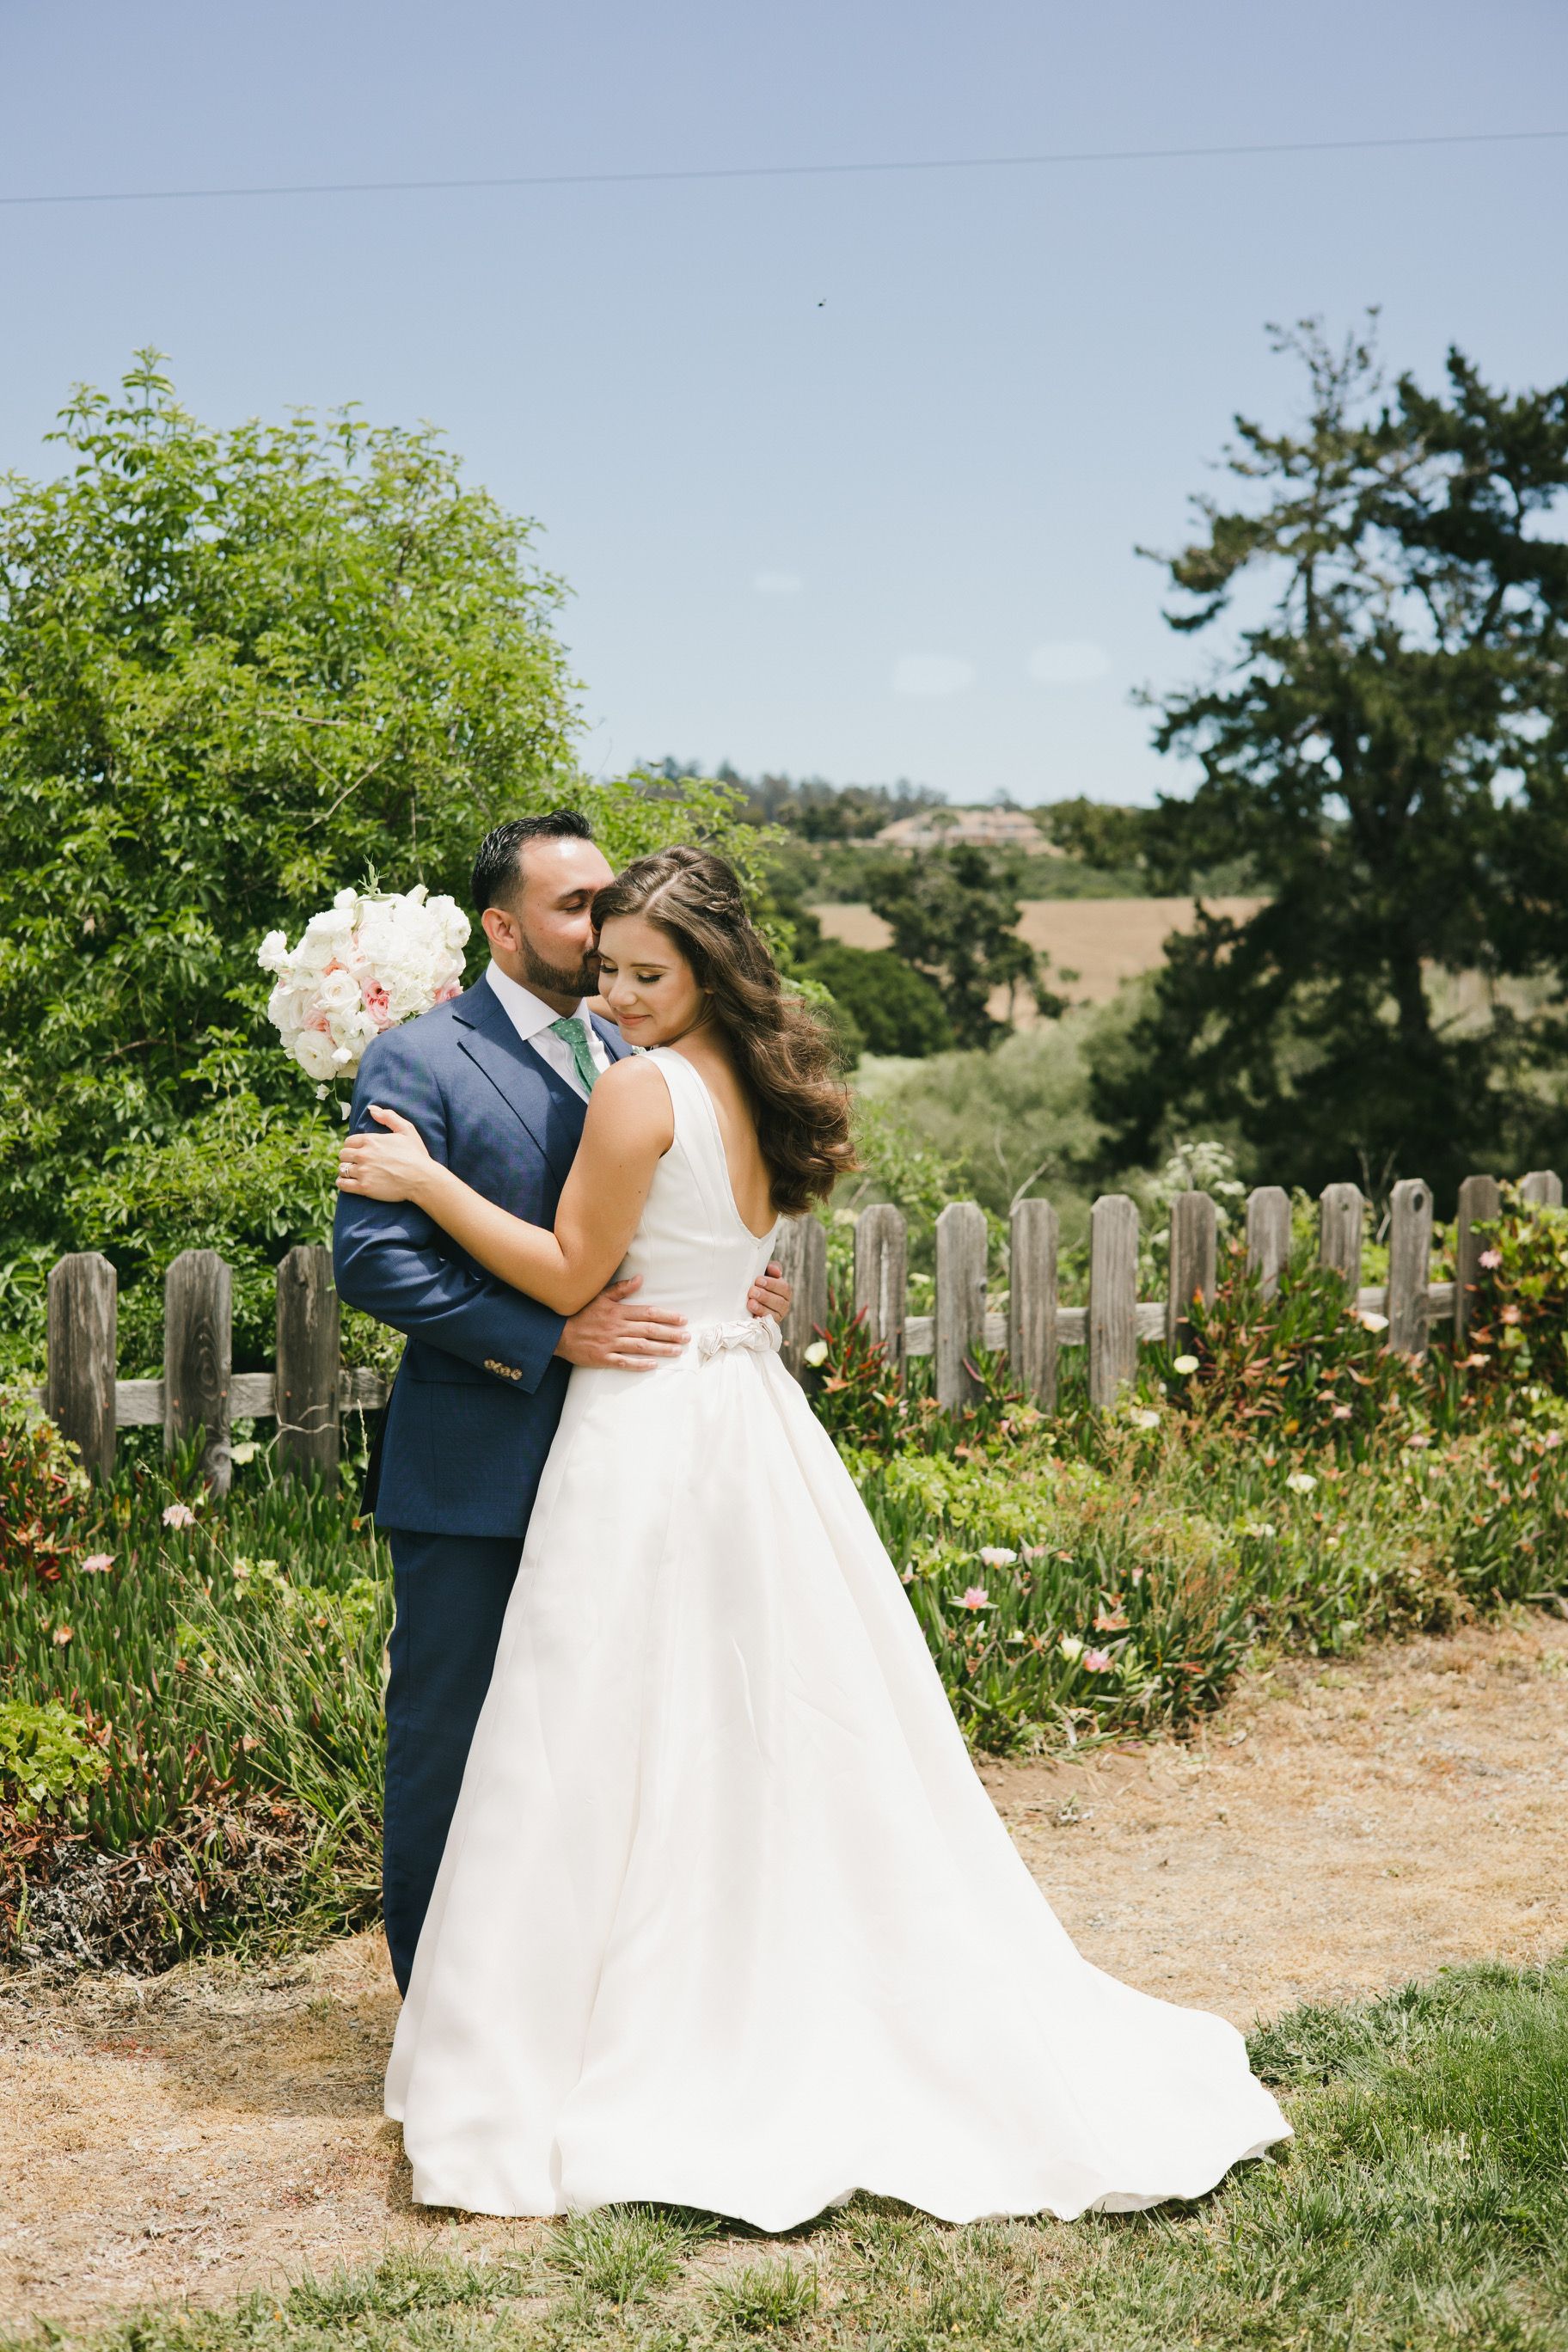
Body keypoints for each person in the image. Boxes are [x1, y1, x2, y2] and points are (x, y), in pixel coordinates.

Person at [337, 844, 1289, 2231]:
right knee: (750, 1728)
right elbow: (715, 1250)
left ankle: (580, 2035)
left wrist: (426, 1184)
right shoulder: (755, 1086)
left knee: (597, 1732)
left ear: (706, 970)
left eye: (645, 973)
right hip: (747, 1426)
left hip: (645, 1431)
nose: (617, 992)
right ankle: (733, 1996)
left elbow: (566, 1270)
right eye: (605, 968)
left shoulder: (637, 1085)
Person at [331, 812, 790, 1992]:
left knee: (618, 1736)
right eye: (575, 908)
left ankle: (589, 1992)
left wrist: (735, 1278)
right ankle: (441, 2007)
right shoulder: (420, 1058)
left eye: (611, 906)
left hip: (644, 1452)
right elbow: (377, 1262)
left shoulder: (634, 1041)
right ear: (502, 924)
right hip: (482, 1454)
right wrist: (548, 1336)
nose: (599, 933)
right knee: (457, 1736)